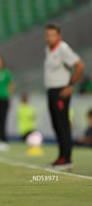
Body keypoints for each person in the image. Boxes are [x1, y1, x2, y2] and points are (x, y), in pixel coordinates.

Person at [44, 23, 84, 170]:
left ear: (59, 36)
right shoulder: (48, 49)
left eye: (52, 35)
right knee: (56, 124)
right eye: (47, 35)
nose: (49, 38)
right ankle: (62, 156)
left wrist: (70, 85)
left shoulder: (63, 48)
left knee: (62, 125)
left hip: (61, 91)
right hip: (52, 91)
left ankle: (66, 158)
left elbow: (79, 65)